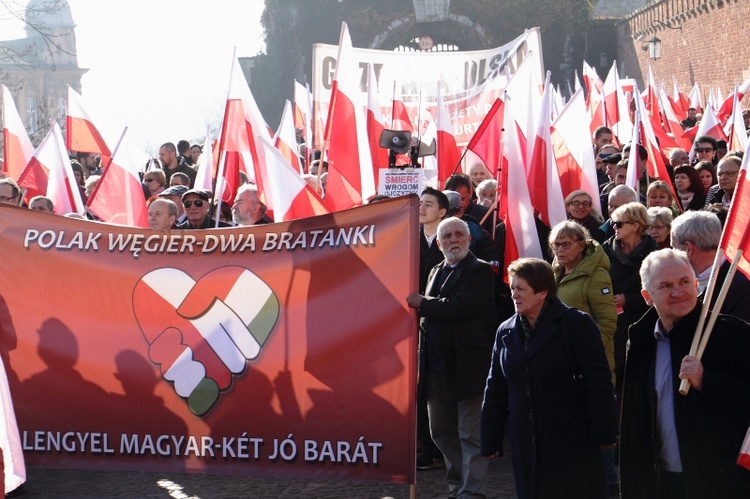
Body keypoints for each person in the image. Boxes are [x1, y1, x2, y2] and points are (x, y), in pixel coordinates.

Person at [481, 258, 617, 499]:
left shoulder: (576, 324)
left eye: (520, 288)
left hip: (572, 441)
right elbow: (497, 386)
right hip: (527, 444)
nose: (514, 295)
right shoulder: (506, 331)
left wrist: (604, 432)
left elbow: (598, 382)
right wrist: (490, 436)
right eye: (512, 288)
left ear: (542, 292)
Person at [619, 249, 750, 498]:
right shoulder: (641, 341)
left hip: (723, 485)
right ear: (647, 296)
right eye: (666, 285)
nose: (678, 292)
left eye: (684, 282)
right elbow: (636, 423)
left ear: (697, 285)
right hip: (665, 484)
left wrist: (707, 382)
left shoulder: (733, 335)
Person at [406, 217, 497, 499]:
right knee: (441, 432)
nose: (453, 240)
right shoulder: (435, 270)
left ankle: (472, 492)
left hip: (468, 367)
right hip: (436, 367)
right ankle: (457, 486)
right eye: (447, 236)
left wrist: (424, 303)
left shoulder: (480, 270)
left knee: (470, 434)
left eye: (459, 234)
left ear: (469, 240)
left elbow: (461, 306)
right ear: (439, 242)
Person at [602, 202, 658, 394]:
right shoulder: (605, 251)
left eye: (618, 224)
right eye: (612, 223)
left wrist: (629, 299)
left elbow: (659, 292)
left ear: (635, 226)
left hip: (639, 323)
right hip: (611, 322)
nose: (613, 227)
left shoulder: (654, 254)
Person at [416, 187, 449, 470]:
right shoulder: (407, 238)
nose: (422, 208)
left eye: (428, 204)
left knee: (435, 387)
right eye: (420, 204)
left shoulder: (452, 239)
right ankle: (421, 444)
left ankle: (437, 447)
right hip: (411, 321)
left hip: (440, 323)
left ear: (442, 211)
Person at [670, 210, 750, 322]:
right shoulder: (689, 279)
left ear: (688, 248)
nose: (672, 255)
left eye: (674, 247)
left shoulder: (740, 287)